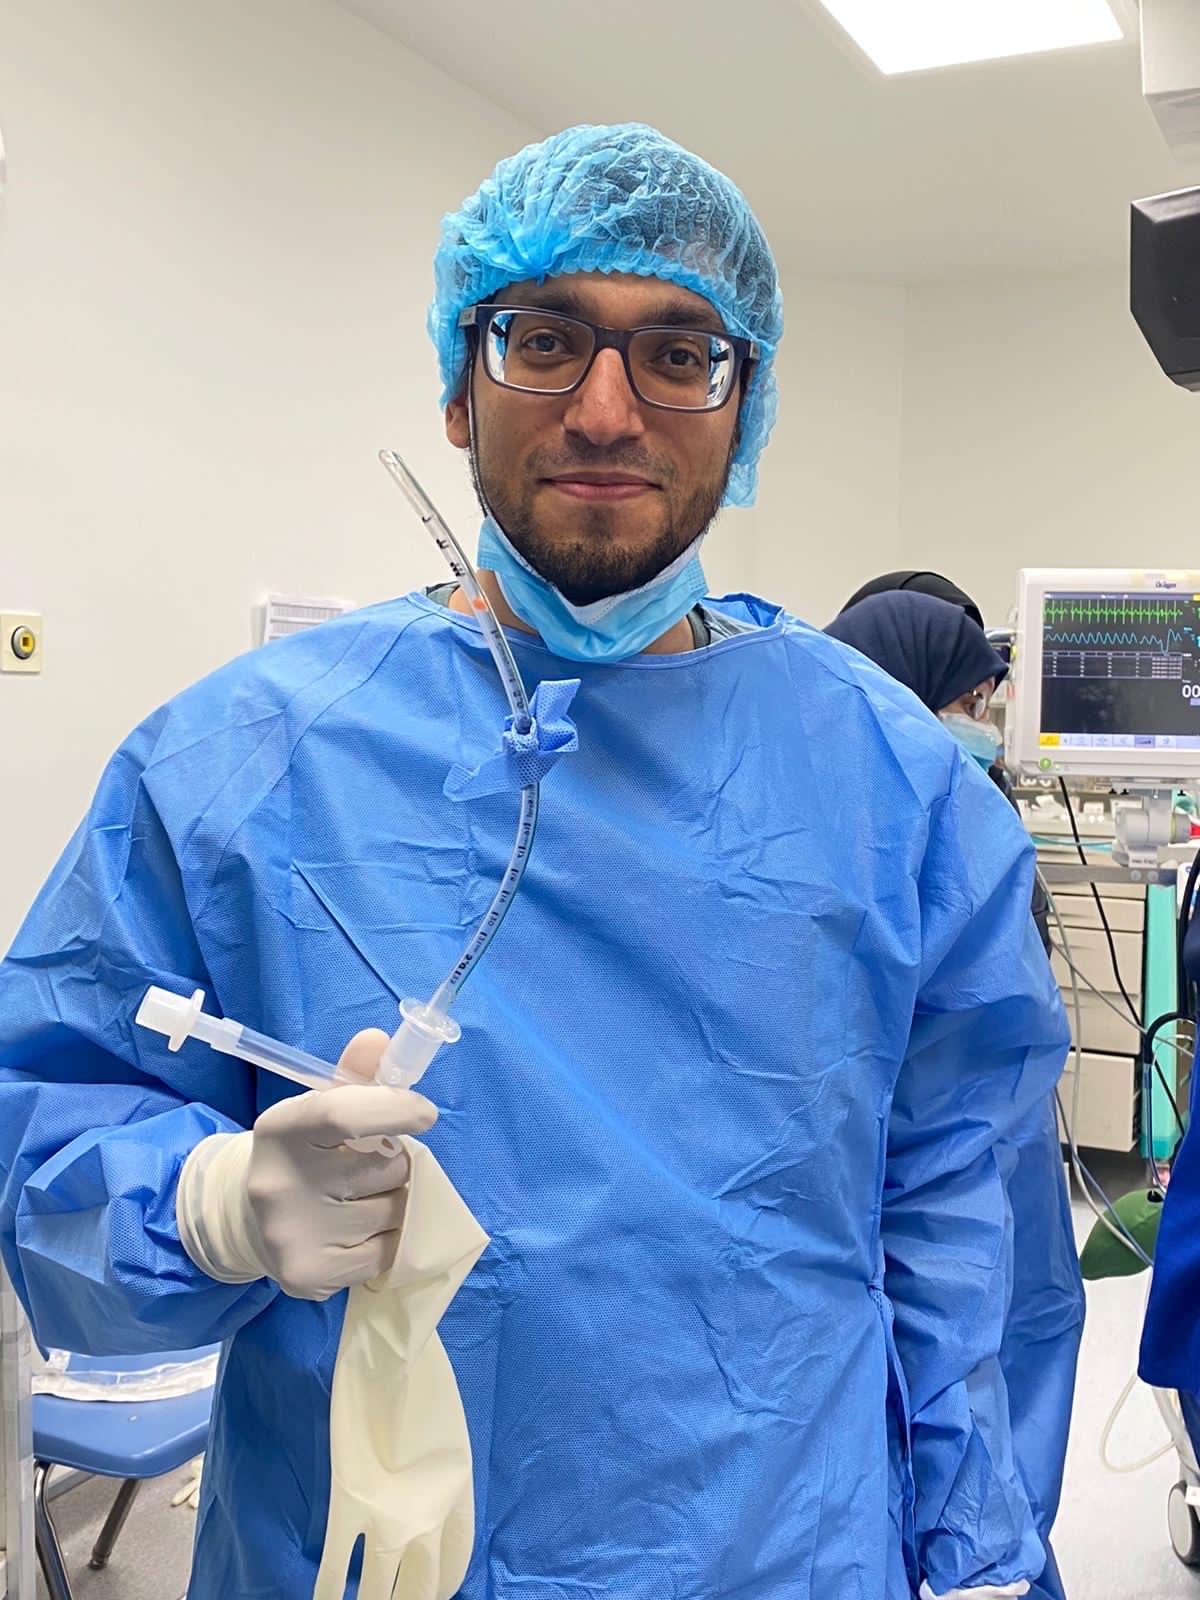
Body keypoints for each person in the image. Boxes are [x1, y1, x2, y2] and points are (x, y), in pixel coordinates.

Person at [0, 124, 1069, 1600]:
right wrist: (210, 1202)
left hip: (788, 1552)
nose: (608, 410)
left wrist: (983, 1560)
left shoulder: (899, 787)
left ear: (745, 405)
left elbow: (967, 1228)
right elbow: (51, 1126)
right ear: (459, 384)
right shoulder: (234, 766)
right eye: (547, 339)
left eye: (679, 353)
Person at [825, 590, 1086, 1600]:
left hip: (991, 1155)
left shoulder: (973, 832)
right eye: (970, 700)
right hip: (895, 1186)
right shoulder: (834, 833)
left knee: (1011, 1336)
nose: (981, 722)